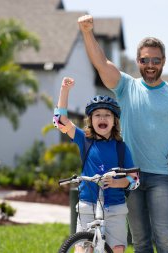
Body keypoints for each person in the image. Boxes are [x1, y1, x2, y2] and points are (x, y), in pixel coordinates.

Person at [78, 15, 168, 253]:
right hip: (130, 176)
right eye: (145, 59)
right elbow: (101, 63)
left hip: (162, 178)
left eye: (155, 60)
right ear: (138, 61)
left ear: (164, 61)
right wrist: (87, 32)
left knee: (165, 240)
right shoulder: (127, 87)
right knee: (140, 242)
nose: (150, 65)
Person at [53, 77, 140, 253]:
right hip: (88, 205)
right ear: (91, 120)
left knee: (116, 249)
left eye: (107, 115)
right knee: (83, 249)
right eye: (97, 115)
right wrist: (64, 91)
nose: (102, 118)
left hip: (115, 208)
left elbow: (134, 179)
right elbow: (60, 121)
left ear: (114, 121)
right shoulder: (85, 140)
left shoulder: (121, 147)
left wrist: (117, 182)